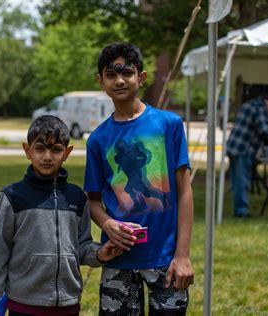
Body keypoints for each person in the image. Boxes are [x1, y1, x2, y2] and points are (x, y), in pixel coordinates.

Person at [84, 42, 194, 315]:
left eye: (127, 73)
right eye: (111, 74)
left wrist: (182, 255)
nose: (120, 80)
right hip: (118, 259)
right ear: (101, 81)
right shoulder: (98, 139)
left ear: (141, 77)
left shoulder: (169, 125)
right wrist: (108, 224)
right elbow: (94, 202)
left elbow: (184, 192)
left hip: (165, 259)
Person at [0, 115, 123, 316]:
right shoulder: (12, 197)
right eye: (39, 149)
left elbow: (81, 245)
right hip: (24, 303)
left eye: (56, 149)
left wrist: (98, 254)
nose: (47, 156)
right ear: (27, 150)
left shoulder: (77, 197)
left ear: (67, 153)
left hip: (68, 304)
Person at [226, 94, 268, 218]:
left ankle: (239, 208)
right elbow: (264, 129)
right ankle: (241, 211)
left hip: (235, 146)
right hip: (242, 149)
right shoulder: (260, 108)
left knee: (237, 181)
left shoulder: (251, 104)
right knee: (242, 181)